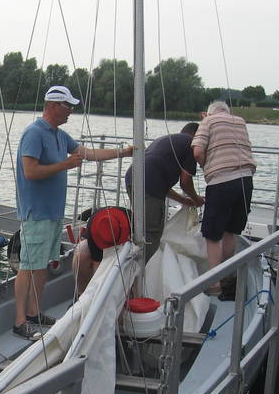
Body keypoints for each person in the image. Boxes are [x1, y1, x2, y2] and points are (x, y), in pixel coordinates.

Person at [14, 85, 132, 340]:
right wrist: (65, 164)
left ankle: (34, 313)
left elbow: (89, 153)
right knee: (28, 266)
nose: (71, 111)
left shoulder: (60, 135)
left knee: (42, 264)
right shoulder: (34, 133)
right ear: (53, 105)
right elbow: (30, 172)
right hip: (36, 212)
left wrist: (123, 152)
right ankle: (20, 321)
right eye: (67, 106)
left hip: (53, 212)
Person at [192, 101, 256, 295]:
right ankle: (226, 277)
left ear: (207, 114)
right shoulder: (240, 121)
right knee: (230, 231)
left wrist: (206, 165)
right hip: (246, 181)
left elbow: (197, 151)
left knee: (212, 235)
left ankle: (214, 284)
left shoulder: (208, 121)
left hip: (221, 182)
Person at [124, 123, 205, 263]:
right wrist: (196, 199)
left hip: (133, 177)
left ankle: (134, 266)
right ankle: (142, 270)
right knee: (150, 234)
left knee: (139, 227)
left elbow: (161, 185)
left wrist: (183, 200)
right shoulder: (191, 144)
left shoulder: (167, 140)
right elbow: (185, 182)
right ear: (197, 136)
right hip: (149, 183)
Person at [73, 206, 131, 294]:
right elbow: (97, 265)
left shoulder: (133, 222)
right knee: (81, 251)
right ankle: (82, 293)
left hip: (128, 242)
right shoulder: (95, 227)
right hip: (106, 237)